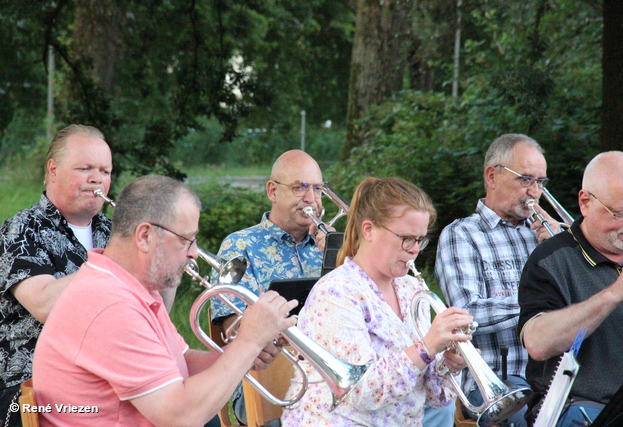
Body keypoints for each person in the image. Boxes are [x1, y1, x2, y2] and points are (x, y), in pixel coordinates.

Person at [32, 175, 298, 427]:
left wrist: (247, 352)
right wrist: (248, 343)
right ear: (145, 236)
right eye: (186, 240)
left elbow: (182, 362)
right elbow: (180, 416)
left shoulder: (132, 288)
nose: (194, 253)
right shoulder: (111, 306)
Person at [281, 177, 473, 426]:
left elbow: (434, 398)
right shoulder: (336, 293)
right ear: (369, 229)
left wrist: (447, 364)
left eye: (420, 240)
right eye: (406, 238)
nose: (414, 249)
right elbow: (363, 391)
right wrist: (426, 347)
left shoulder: (411, 289)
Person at [435, 133, 560, 427]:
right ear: (492, 176)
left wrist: (560, 251)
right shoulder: (462, 234)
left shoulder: (549, 237)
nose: (535, 192)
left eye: (541, 182)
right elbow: (467, 313)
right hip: (496, 381)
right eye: (526, 179)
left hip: (555, 378)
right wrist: (542, 309)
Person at [0, 124, 112, 427]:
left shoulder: (114, 234)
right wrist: (112, 261)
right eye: (85, 168)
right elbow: (46, 306)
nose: (96, 179)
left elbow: (154, 313)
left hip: (108, 379)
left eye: (105, 171)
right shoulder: (21, 230)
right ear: (53, 170)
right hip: (30, 389)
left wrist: (167, 267)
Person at [517, 151, 623, 426]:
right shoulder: (550, 260)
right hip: (581, 410)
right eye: (621, 213)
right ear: (585, 202)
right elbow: (537, 343)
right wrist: (617, 291)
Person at [211, 150, 331, 426]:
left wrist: (343, 263)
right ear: (272, 191)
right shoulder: (240, 246)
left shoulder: (334, 247)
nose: (311, 199)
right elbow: (234, 330)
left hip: (330, 379)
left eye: (317, 189)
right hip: (266, 384)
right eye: (300, 187)